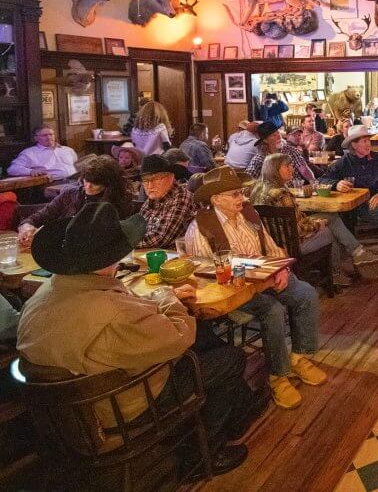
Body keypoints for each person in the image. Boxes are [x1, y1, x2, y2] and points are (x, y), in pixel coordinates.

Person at [17, 203, 255, 478]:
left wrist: (157, 301)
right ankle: (203, 456)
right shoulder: (113, 310)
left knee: (205, 340)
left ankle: (237, 411)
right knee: (229, 358)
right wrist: (170, 298)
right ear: (113, 258)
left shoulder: (43, 293)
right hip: (115, 410)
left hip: (61, 416)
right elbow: (180, 336)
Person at [184, 167, 325, 409]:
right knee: (273, 311)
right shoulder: (200, 227)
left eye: (242, 193)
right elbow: (206, 274)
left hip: (267, 278)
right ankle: (278, 375)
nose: (243, 198)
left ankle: (299, 357)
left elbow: (272, 248)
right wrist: (246, 277)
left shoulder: (250, 214)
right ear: (216, 199)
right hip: (234, 290)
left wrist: (281, 268)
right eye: (235, 195)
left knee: (306, 294)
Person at [249, 154, 378, 287]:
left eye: (291, 165)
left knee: (331, 217)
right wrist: (317, 225)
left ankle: (354, 254)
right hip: (291, 245)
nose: (292, 169)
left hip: (271, 243)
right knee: (329, 229)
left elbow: (292, 223)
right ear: (274, 169)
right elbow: (297, 229)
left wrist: (316, 222)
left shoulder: (257, 190)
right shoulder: (282, 194)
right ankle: (337, 272)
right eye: (286, 166)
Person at [319, 125, 378, 280]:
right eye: (364, 141)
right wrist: (337, 184)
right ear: (354, 145)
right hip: (363, 208)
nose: (369, 144)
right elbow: (322, 179)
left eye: (369, 140)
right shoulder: (344, 162)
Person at [17, 156, 134, 247]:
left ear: (109, 183)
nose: (88, 186)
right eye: (86, 180)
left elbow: (110, 236)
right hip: (62, 252)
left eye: (95, 182)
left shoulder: (120, 199)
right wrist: (26, 228)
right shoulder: (70, 194)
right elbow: (37, 217)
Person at [138, 154, 200, 249]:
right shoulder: (150, 201)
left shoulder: (181, 198)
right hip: (151, 255)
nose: (150, 186)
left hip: (178, 259)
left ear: (171, 178)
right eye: (145, 181)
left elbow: (161, 238)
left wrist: (125, 245)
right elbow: (137, 230)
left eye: (155, 179)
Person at [245, 122, 316, 187]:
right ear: (265, 140)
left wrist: (313, 182)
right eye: (274, 135)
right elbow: (247, 179)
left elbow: (304, 169)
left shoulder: (291, 150)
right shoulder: (259, 159)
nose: (278, 137)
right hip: (273, 195)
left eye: (278, 133)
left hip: (295, 191)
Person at [7, 126, 78, 180]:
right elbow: (12, 169)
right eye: (44, 135)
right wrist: (31, 171)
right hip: (52, 183)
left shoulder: (67, 150)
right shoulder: (29, 153)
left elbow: (77, 164)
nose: (49, 137)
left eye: (51, 134)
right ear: (36, 138)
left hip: (76, 180)